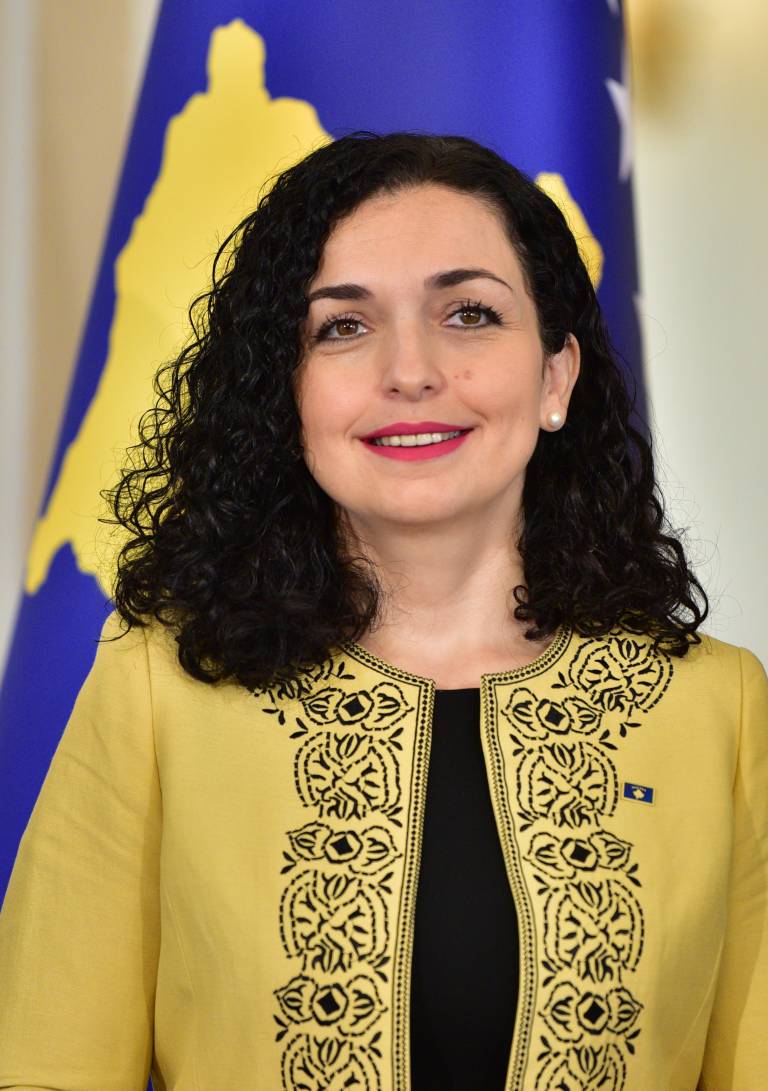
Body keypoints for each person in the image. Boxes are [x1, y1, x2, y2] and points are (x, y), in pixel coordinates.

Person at [0, 131, 765, 1091]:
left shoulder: (717, 706)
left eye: (469, 313)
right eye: (343, 327)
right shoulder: (160, 688)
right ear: (289, 391)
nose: (410, 370)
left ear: (556, 377)